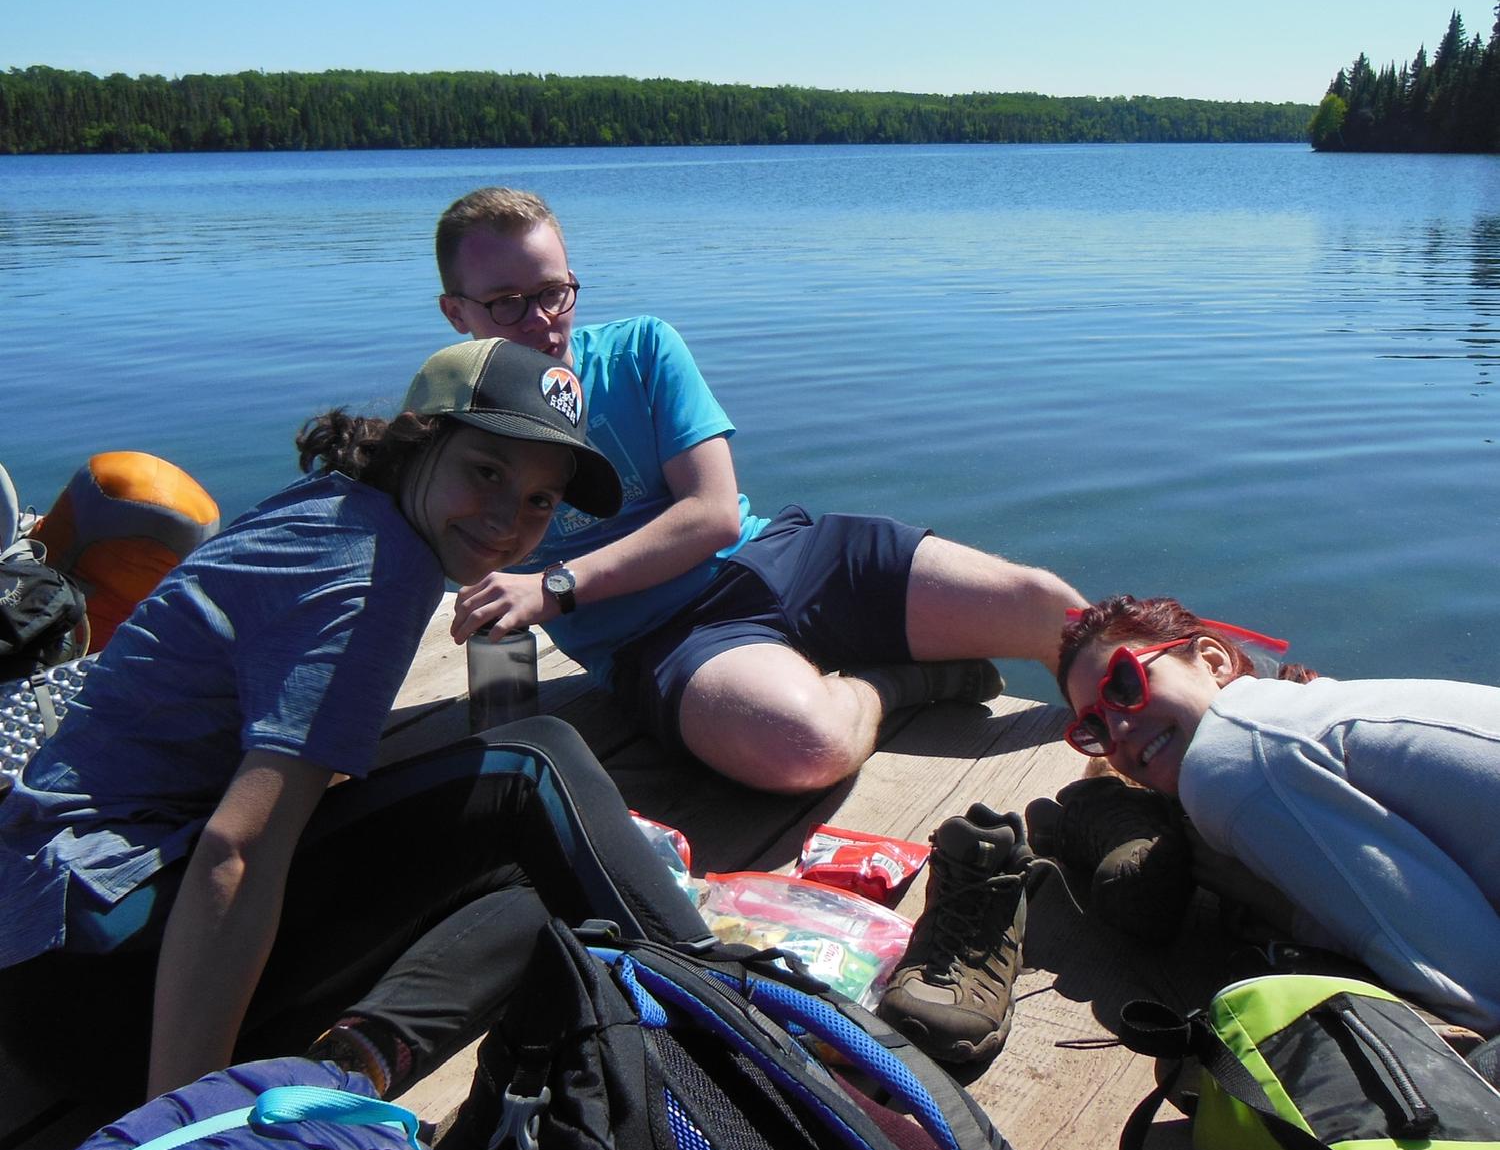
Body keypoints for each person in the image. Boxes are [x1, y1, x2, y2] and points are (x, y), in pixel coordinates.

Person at [0, 338, 711, 1106]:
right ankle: (735, 1017)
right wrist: (177, 1119)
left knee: (555, 870)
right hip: (94, 966)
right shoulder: (377, 569)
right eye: (487, 471)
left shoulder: (345, 506)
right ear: (420, 437)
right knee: (536, 766)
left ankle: (353, 1059)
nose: (509, 518)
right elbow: (239, 852)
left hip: (55, 975)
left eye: (541, 499)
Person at [434, 186, 1084, 794]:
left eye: (554, 292)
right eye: (507, 302)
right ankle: (894, 684)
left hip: (782, 557)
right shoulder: (448, 431)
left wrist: (554, 585)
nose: (541, 320)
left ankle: (1134, 773)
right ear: (456, 312)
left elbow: (713, 514)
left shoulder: (640, 349)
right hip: (663, 639)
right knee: (806, 745)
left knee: (1053, 613)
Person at [1057, 593, 1500, 1034]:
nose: (1118, 728)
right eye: (1093, 727)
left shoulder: (1229, 760)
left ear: (1212, 660)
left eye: (1125, 685)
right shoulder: (1297, 712)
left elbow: (1474, 993)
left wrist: (1279, 909)